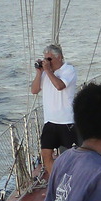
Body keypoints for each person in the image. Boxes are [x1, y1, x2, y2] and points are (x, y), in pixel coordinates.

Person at [30, 43, 78, 182]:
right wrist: (40, 73)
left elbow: (60, 86)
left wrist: (48, 71)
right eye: (45, 59)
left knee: (71, 157)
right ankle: (56, 182)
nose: (46, 62)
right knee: (46, 155)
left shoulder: (68, 70)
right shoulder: (45, 74)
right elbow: (34, 90)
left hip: (66, 121)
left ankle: (74, 182)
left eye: (49, 59)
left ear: (60, 57)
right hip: (50, 121)